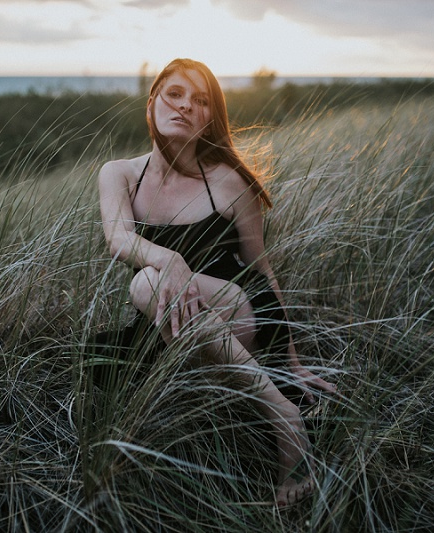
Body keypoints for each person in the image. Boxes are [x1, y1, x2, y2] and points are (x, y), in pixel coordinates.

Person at [97, 58, 336, 507]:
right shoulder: (120, 174)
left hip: (237, 312)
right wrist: (171, 261)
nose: (186, 106)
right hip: (170, 327)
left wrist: (291, 358)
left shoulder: (229, 183)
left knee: (144, 285)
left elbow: (261, 270)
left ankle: (285, 417)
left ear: (210, 117)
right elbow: (119, 239)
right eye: (175, 94)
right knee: (147, 297)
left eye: (201, 100)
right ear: (152, 103)